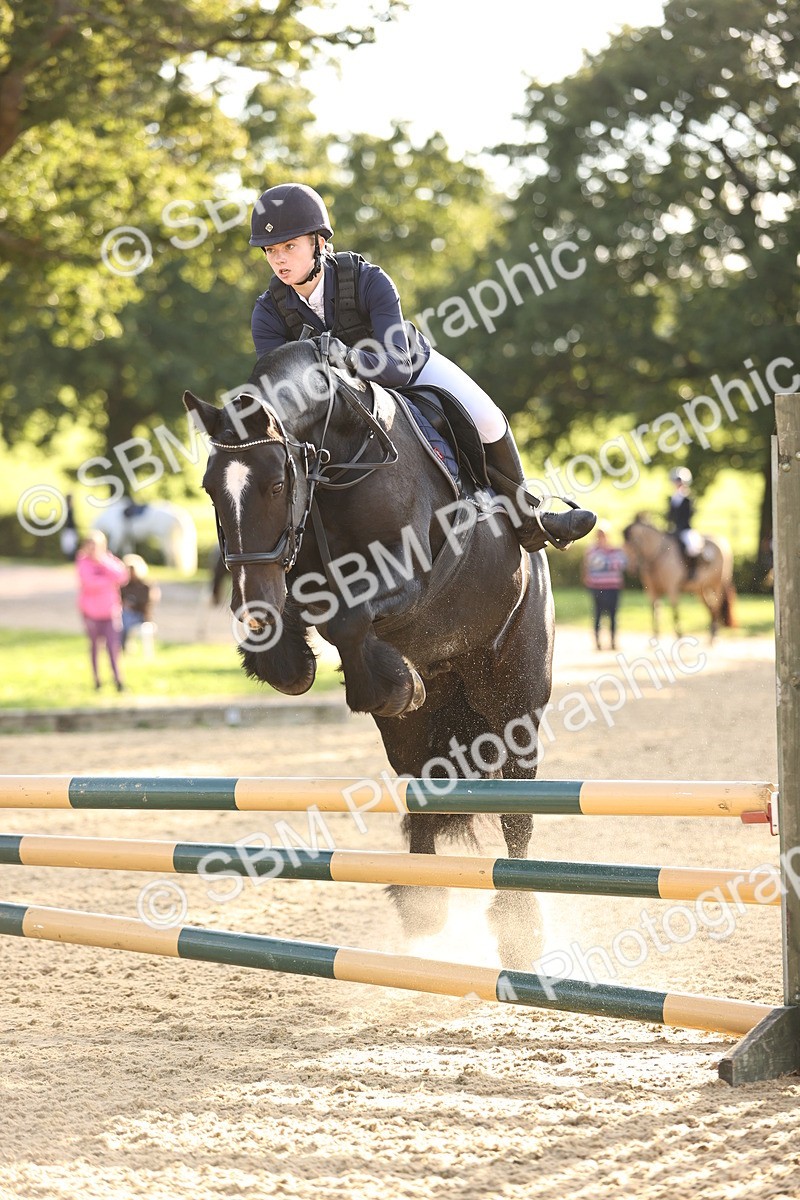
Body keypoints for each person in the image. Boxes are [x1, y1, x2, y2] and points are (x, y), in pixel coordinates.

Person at [248, 183, 596, 555]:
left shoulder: (369, 280)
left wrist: (349, 360)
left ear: (319, 242)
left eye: (289, 247)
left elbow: (397, 367)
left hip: (409, 369)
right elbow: (280, 395)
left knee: (488, 418)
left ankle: (528, 519)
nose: (279, 259)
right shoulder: (268, 311)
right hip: (334, 403)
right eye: (271, 250)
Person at [75, 531, 129, 692]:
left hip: (110, 611)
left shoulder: (108, 560)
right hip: (91, 612)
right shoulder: (83, 562)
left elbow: (122, 576)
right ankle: (97, 679)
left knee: (113, 647)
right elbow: (89, 583)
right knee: (95, 647)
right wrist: (108, 581)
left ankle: (118, 679)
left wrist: (102, 562)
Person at [582, 523, 627, 651]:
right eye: (599, 535)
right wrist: (611, 563)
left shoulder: (616, 550)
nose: (601, 537)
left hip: (613, 587)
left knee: (613, 615)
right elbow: (597, 563)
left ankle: (613, 641)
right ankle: (598, 642)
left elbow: (622, 563)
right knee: (598, 614)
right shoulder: (592, 550)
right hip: (597, 587)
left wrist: (607, 563)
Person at [666, 467, 703, 579]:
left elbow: (688, 516)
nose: (677, 484)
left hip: (685, 529)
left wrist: (680, 528)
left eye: (680, 481)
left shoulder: (687, 499)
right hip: (675, 529)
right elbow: (670, 516)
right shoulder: (673, 498)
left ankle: (692, 571)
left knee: (692, 548)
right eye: (676, 481)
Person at [120, 554, 161, 652]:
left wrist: (133, 605)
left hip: (140, 617)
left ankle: (124, 646)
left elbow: (147, 605)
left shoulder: (146, 586)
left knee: (124, 619)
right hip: (125, 614)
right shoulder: (124, 586)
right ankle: (121, 646)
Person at [59, 493, 80, 561]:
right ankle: (69, 558)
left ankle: (71, 558)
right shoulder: (66, 509)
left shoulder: (71, 509)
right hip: (68, 530)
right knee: (68, 545)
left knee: (71, 545)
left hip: (70, 529)